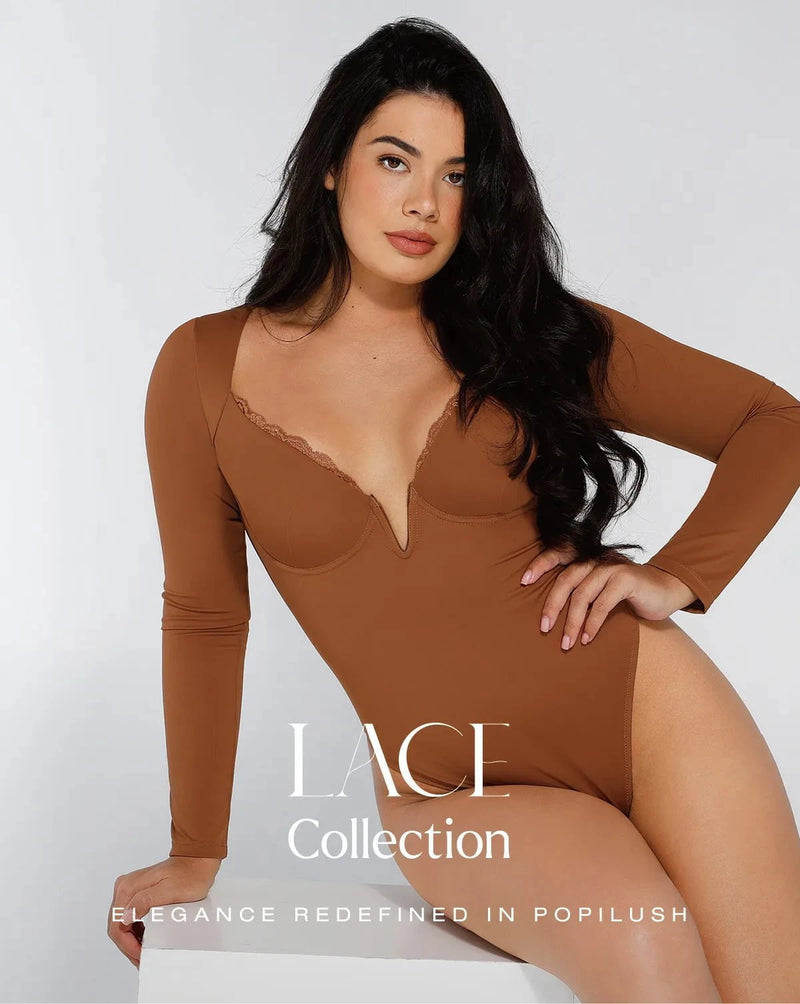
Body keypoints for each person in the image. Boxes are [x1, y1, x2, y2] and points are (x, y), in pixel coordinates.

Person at [108, 17, 800, 1001]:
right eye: (394, 160)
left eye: (456, 174)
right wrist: (195, 847)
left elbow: (774, 421)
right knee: (646, 955)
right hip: (451, 792)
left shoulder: (527, 333)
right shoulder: (203, 372)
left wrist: (678, 575)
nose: (424, 203)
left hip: (654, 713)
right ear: (331, 166)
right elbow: (206, 615)